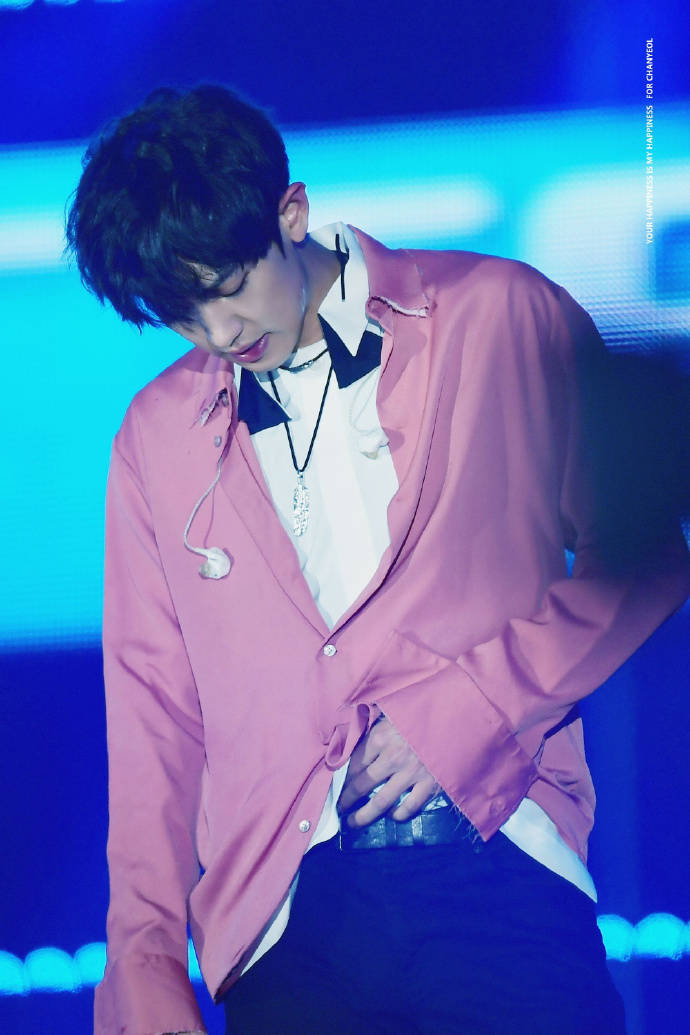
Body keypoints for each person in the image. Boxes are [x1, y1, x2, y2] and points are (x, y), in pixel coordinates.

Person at [66, 84, 689, 1035]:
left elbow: (642, 556)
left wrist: (476, 701)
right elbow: (153, 718)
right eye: (183, 316)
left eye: (226, 286)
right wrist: (144, 972)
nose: (219, 334)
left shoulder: (499, 315)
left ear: (290, 213)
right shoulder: (156, 436)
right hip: (283, 935)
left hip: (497, 866)